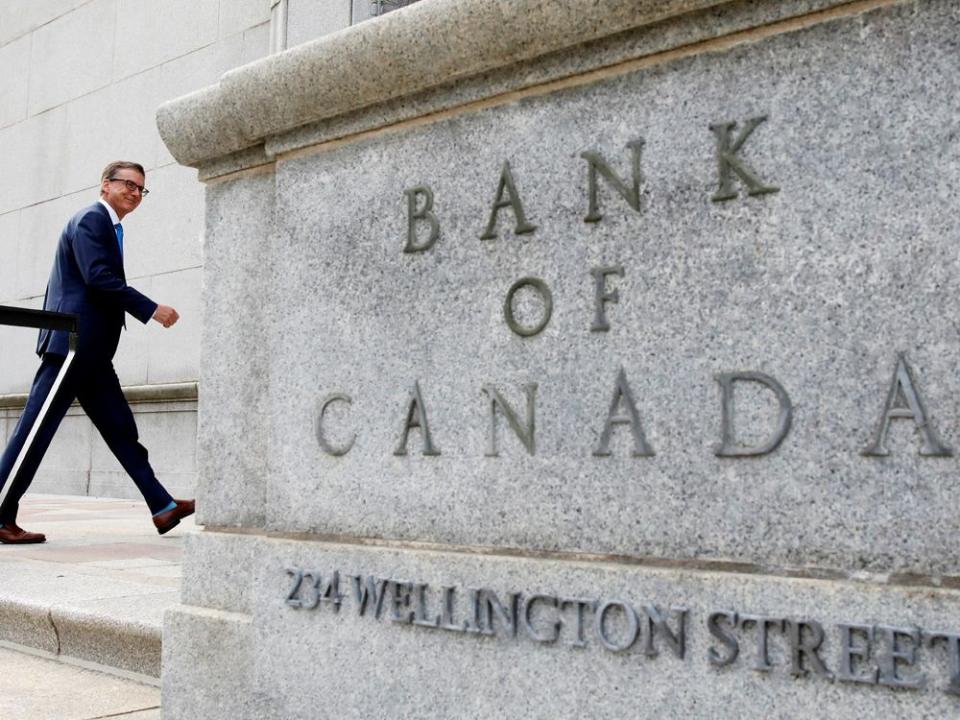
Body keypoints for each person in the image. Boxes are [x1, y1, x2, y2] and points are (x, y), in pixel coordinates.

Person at [0, 161, 195, 544]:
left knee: (122, 431)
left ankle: (162, 506)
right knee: (34, 431)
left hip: (92, 352)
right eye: (128, 184)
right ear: (105, 185)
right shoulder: (92, 219)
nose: (135, 193)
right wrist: (151, 308)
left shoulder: (108, 225)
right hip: (72, 347)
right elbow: (98, 278)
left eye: (141, 189)